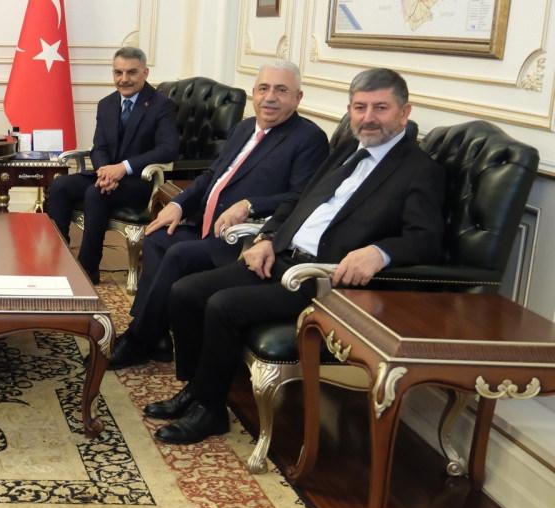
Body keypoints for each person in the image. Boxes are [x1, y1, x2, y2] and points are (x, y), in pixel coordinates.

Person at [148, 68, 446, 445]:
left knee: (223, 305)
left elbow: (427, 239)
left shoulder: (420, 170)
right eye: (360, 107)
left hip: (322, 280)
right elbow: (299, 200)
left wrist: (380, 252)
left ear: (404, 112)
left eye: (380, 108)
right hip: (281, 257)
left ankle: (211, 411)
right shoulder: (347, 151)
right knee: (185, 292)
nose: (368, 117)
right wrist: (267, 238)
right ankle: (196, 389)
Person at [108, 61, 328, 369]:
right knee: (157, 238)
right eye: (264, 89)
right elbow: (212, 175)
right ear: (254, 93)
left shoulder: (308, 138)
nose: (270, 98)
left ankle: (138, 340)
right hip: (206, 224)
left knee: (179, 254)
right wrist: (179, 204)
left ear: (298, 97)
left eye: (281, 90)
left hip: (240, 239)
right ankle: (156, 337)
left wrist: (251, 204)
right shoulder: (244, 128)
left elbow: (302, 198)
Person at [44, 46, 179, 283]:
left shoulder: (161, 105)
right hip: (107, 175)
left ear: (145, 72)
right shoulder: (106, 104)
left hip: (139, 181)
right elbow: (99, 148)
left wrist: (123, 168)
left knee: (95, 193)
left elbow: (168, 149)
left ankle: (87, 271)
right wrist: (105, 171)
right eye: (118, 72)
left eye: (131, 72)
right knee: (60, 186)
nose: (123, 79)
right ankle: (57, 261)